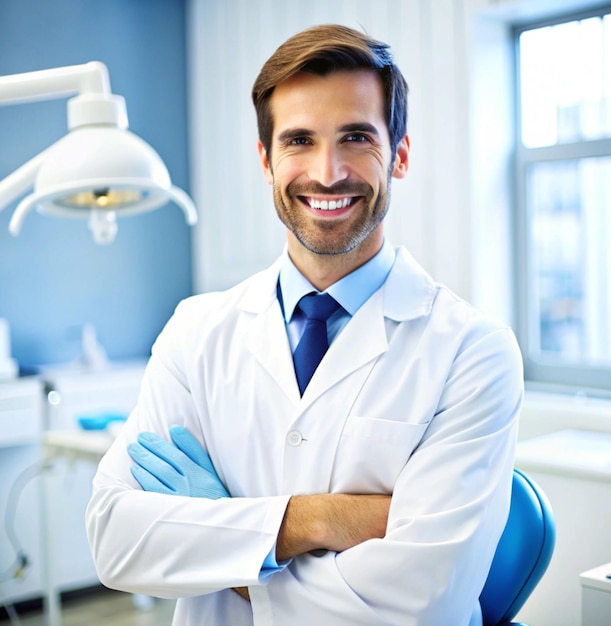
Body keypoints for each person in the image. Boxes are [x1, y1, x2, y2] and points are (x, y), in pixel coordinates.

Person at [86, 23, 523, 626]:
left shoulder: (473, 352)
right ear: (266, 161)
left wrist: (227, 544)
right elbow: (115, 540)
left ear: (399, 154)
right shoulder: (196, 331)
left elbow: (422, 605)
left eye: (355, 136)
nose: (327, 172)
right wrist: (317, 519)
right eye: (298, 140)